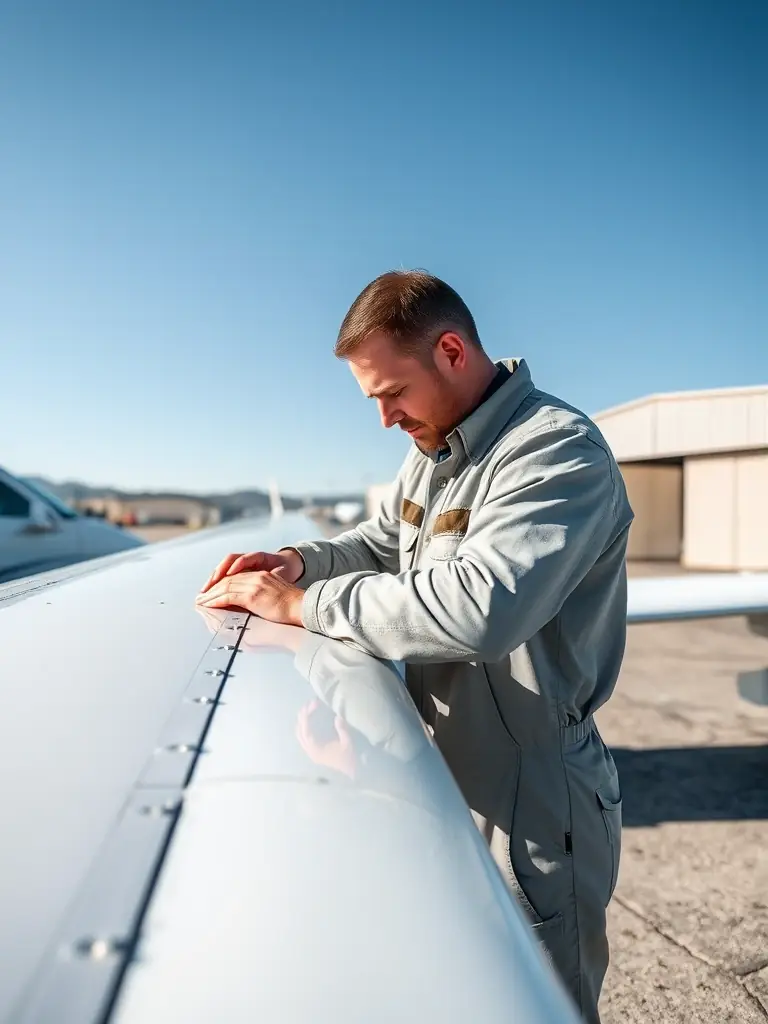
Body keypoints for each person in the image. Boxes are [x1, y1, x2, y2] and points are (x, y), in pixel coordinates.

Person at [197, 269, 634, 1022]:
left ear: (453, 350)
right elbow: (387, 542)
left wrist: (305, 604)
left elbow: (481, 610)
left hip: (534, 794)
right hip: (447, 774)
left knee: (537, 1003)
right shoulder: (437, 450)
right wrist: (300, 561)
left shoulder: (556, 453)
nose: (385, 418)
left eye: (390, 393)